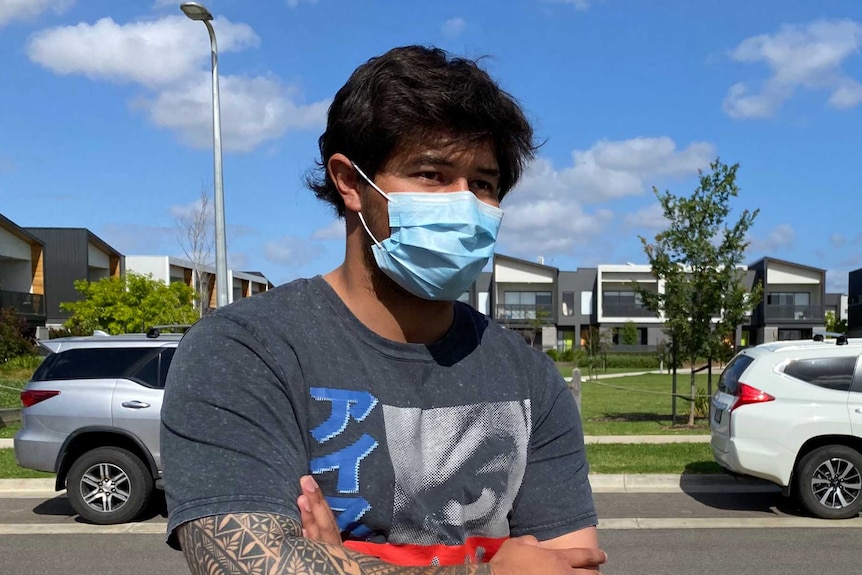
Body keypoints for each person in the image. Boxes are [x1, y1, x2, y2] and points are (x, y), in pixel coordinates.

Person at [161, 45, 605, 575]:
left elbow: (572, 566)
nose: (464, 203)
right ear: (351, 183)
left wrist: (338, 562)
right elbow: (250, 566)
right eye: (431, 175)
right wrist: (487, 570)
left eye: (483, 184)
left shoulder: (528, 375)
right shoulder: (243, 352)